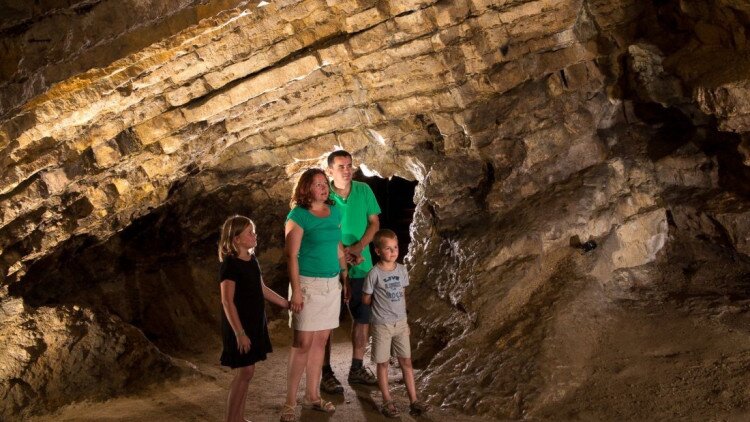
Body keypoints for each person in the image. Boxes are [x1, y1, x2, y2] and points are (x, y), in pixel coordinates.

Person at [281, 168, 350, 422]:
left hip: (331, 285)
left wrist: (344, 274)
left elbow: (337, 245)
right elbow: (291, 255)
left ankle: (312, 396)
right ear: (305, 189)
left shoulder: (335, 211)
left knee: (321, 341)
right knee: (302, 344)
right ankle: (289, 401)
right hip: (308, 285)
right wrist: (297, 291)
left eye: (324, 183)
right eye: (317, 184)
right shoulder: (298, 216)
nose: (323, 187)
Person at [218, 215, 289, 422]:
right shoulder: (230, 265)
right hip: (239, 325)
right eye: (250, 232)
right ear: (236, 239)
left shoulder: (252, 260)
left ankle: (238, 418)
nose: (254, 235)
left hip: (254, 322)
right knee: (245, 371)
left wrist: (286, 303)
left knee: (247, 372)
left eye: (254, 231)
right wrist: (240, 333)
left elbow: (262, 288)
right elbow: (227, 302)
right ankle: (232, 419)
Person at [321, 150, 381, 393]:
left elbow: (374, 223)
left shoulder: (364, 191)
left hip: (362, 264)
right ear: (330, 171)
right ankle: (325, 372)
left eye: (349, 165)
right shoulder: (325, 195)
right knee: (325, 321)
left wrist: (358, 247)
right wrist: (341, 253)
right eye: (341, 166)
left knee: (363, 317)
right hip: (330, 266)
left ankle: (357, 368)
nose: (347, 170)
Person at [362, 229, 431, 418]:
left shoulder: (401, 270)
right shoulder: (374, 274)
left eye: (395, 247)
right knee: (383, 363)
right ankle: (387, 400)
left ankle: (414, 400)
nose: (393, 252)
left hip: (400, 323)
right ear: (377, 251)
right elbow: (366, 299)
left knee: (406, 362)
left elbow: (402, 296)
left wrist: (406, 321)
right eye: (388, 248)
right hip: (382, 324)